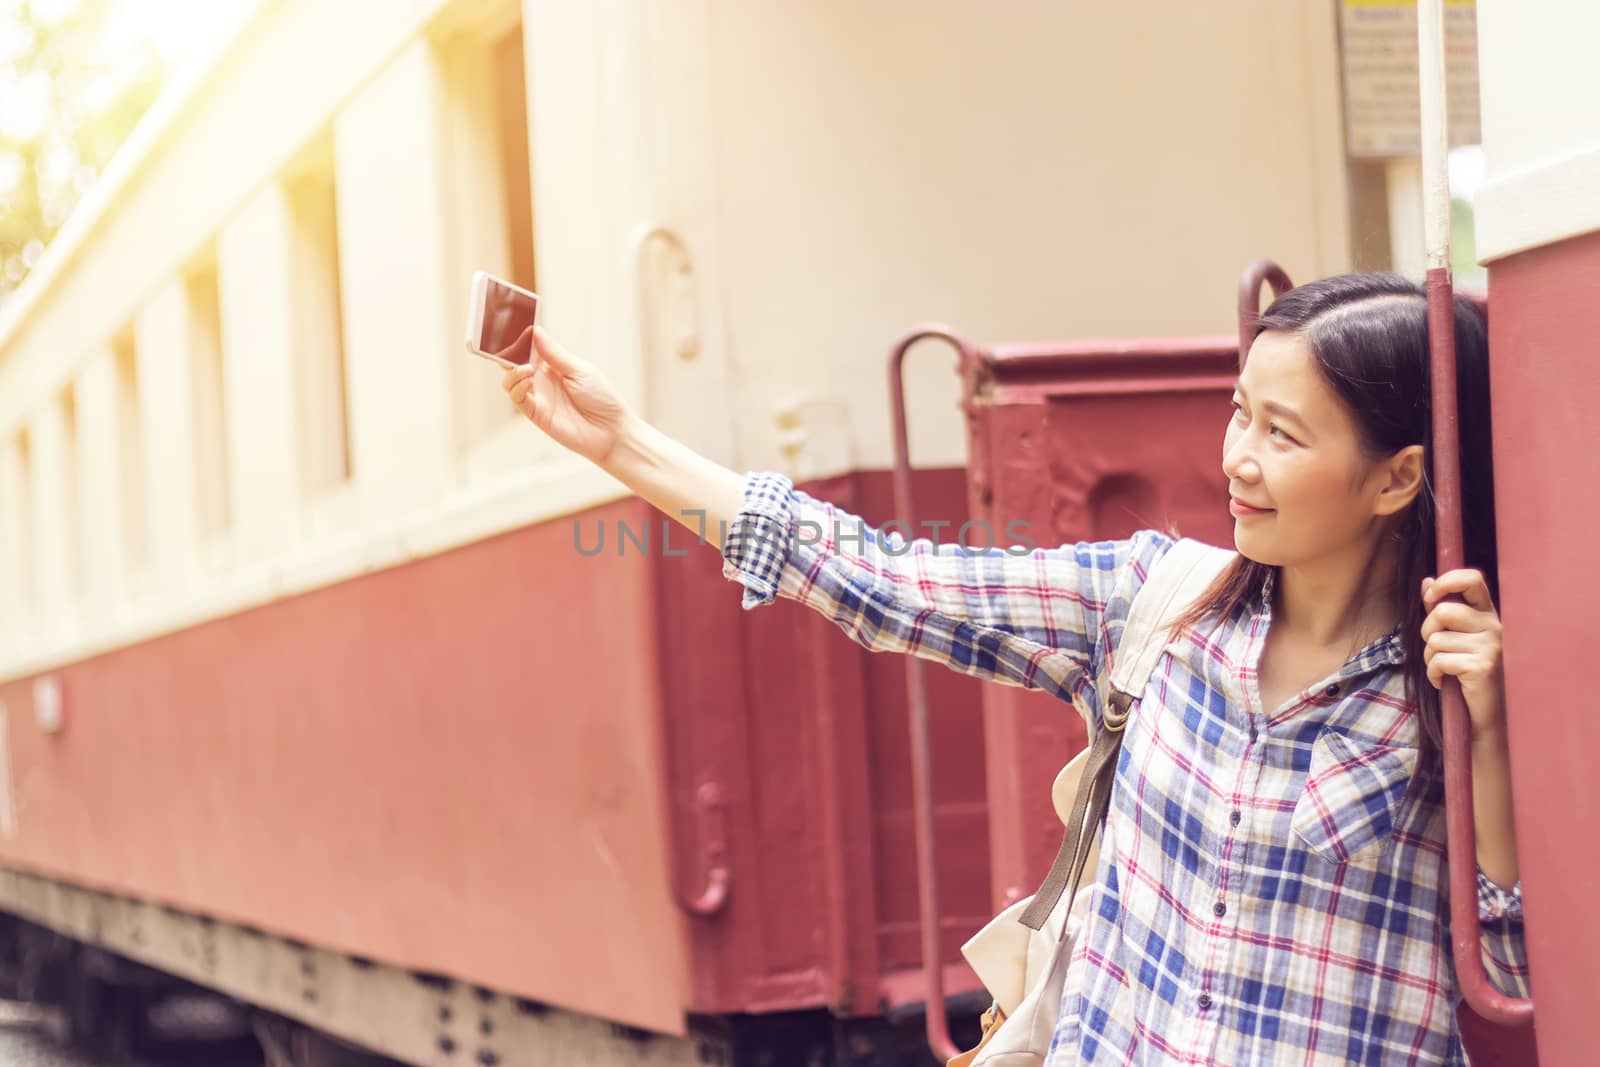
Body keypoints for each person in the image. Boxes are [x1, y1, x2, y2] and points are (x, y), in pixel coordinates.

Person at [499, 272, 1527, 1066]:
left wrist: (1493, 743)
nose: (1236, 458)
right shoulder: (1153, 605)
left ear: (1396, 476)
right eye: (1237, 412)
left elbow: (1518, 978)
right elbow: (881, 579)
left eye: (1282, 433)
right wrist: (625, 443)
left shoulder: (1452, 692)